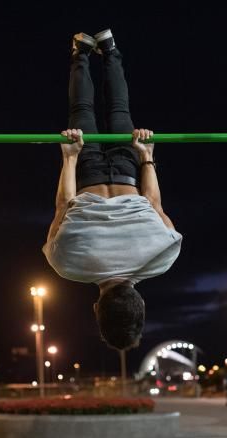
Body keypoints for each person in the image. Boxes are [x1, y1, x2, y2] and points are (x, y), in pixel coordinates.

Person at [43, 30, 182, 352]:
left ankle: (110, 49)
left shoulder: (162, 259)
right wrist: (71, 157)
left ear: (141, 305)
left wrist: (146, 157)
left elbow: (154, 205)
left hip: (127, 174)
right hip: (87, 174)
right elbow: (64, 205)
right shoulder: (66, 265)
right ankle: (80, 52)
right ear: (97, 309)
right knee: (82, 110)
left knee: (119, 110)